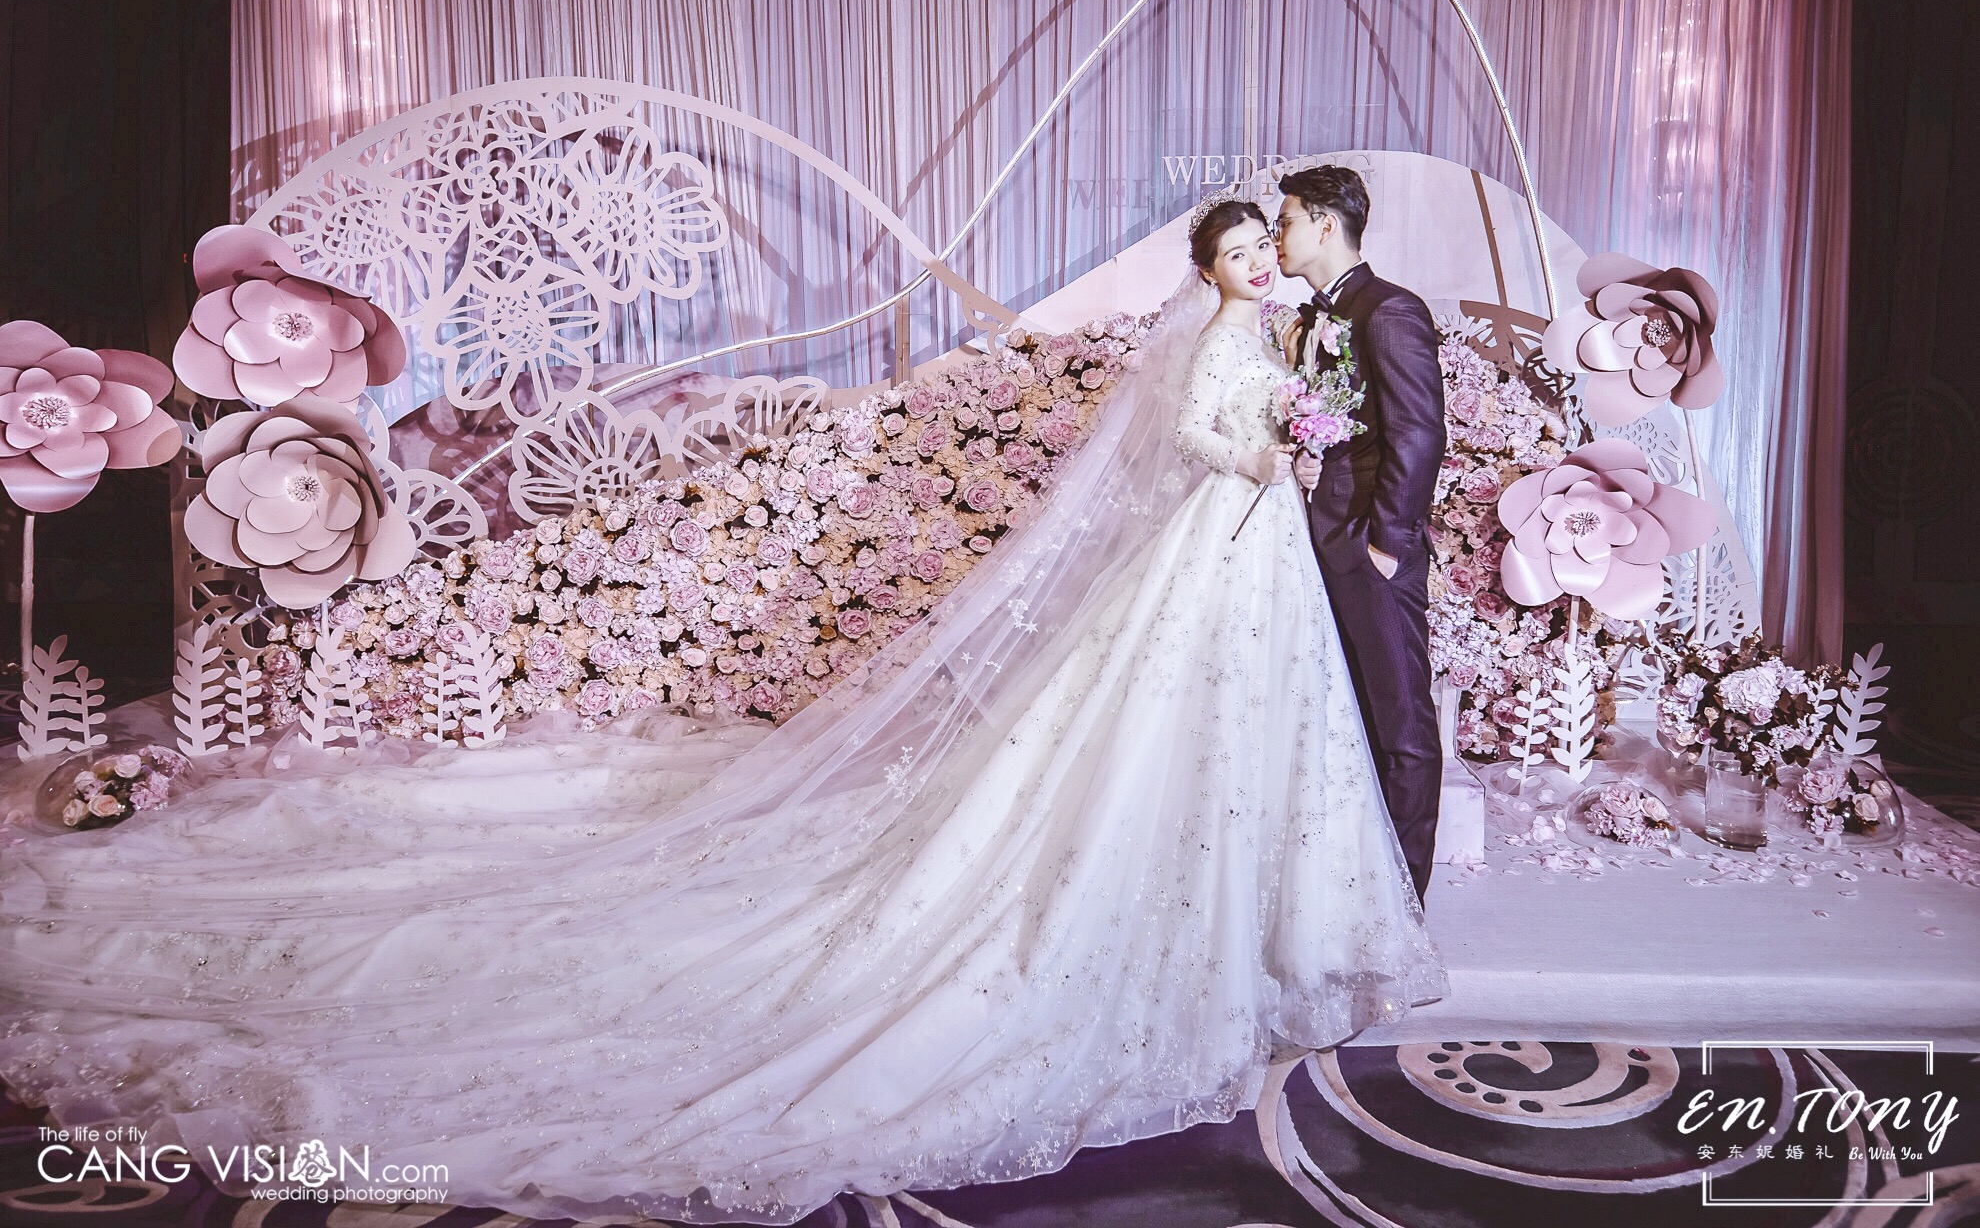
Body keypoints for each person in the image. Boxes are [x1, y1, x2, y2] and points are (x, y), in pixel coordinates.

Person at [0, 199, 1445, 1226]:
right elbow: (1197, 431)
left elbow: (1299, 419)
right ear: (1211, 267)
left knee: (1253, 723)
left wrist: (1299, 438)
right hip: (1227, 531)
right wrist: (1272, 449)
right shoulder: (1223, 339)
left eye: (1263, 247)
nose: (1255, 263)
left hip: (1254, 555)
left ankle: (1260, 893)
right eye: (1238, 251)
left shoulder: (1305, 325)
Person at [1275, 166, 1449, 904]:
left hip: (1370, 547)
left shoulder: (1389, 309)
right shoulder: (1316, 318)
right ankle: (1359, 893)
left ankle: (1405, 902)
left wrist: (1386, 543)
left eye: (1284, 222)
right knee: (1349, 723)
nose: (1276, 238)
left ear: (1324, 224)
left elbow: (1419, 433)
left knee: (1401, 724)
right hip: (1321, 540)